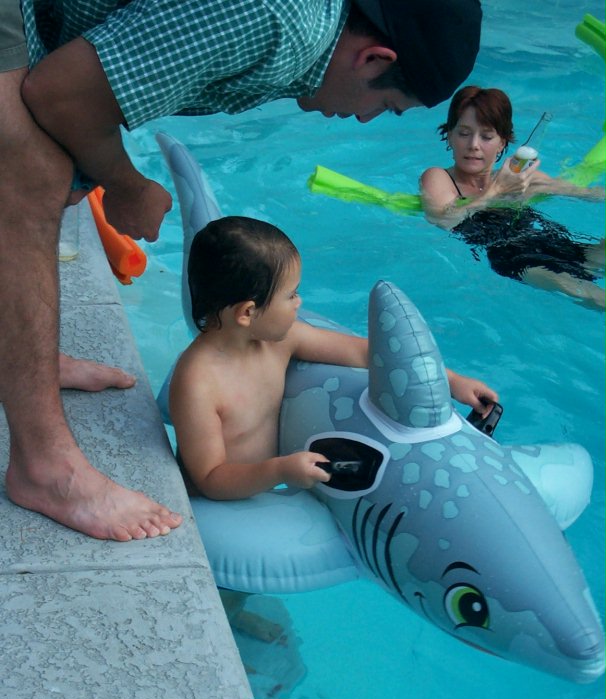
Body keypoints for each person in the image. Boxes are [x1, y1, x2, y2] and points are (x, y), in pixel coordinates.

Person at [0, 0, 482, 540]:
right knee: (30, 170)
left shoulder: (302, 43)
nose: (367, 120)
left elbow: (365, 353)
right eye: (389, 106)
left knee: (61, 173)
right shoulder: (281, 22)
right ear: (373, 59)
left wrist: (446, 382)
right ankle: (44, 466)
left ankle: (23, 358)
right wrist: (128, 185)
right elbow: (57, 92)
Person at [170, 216, 498, 500]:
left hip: (267, 490)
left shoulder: (278, 341)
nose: (299, 303)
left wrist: (450, 380)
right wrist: (279, 470)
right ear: (247, 312)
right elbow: (211, 478)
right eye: (291, 294)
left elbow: (364, 353)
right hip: (219, 507)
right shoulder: (198, 383)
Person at [420, 86, 606, 310]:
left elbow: (585, 194)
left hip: (559, 243)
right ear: (449, 135)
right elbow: (443, 218)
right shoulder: (439, 177)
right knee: (590, 294)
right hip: (518, 261)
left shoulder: (521, 178)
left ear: (502, 143)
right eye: (464, 133)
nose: (474, 145)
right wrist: (497, 191)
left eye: (487, 136)